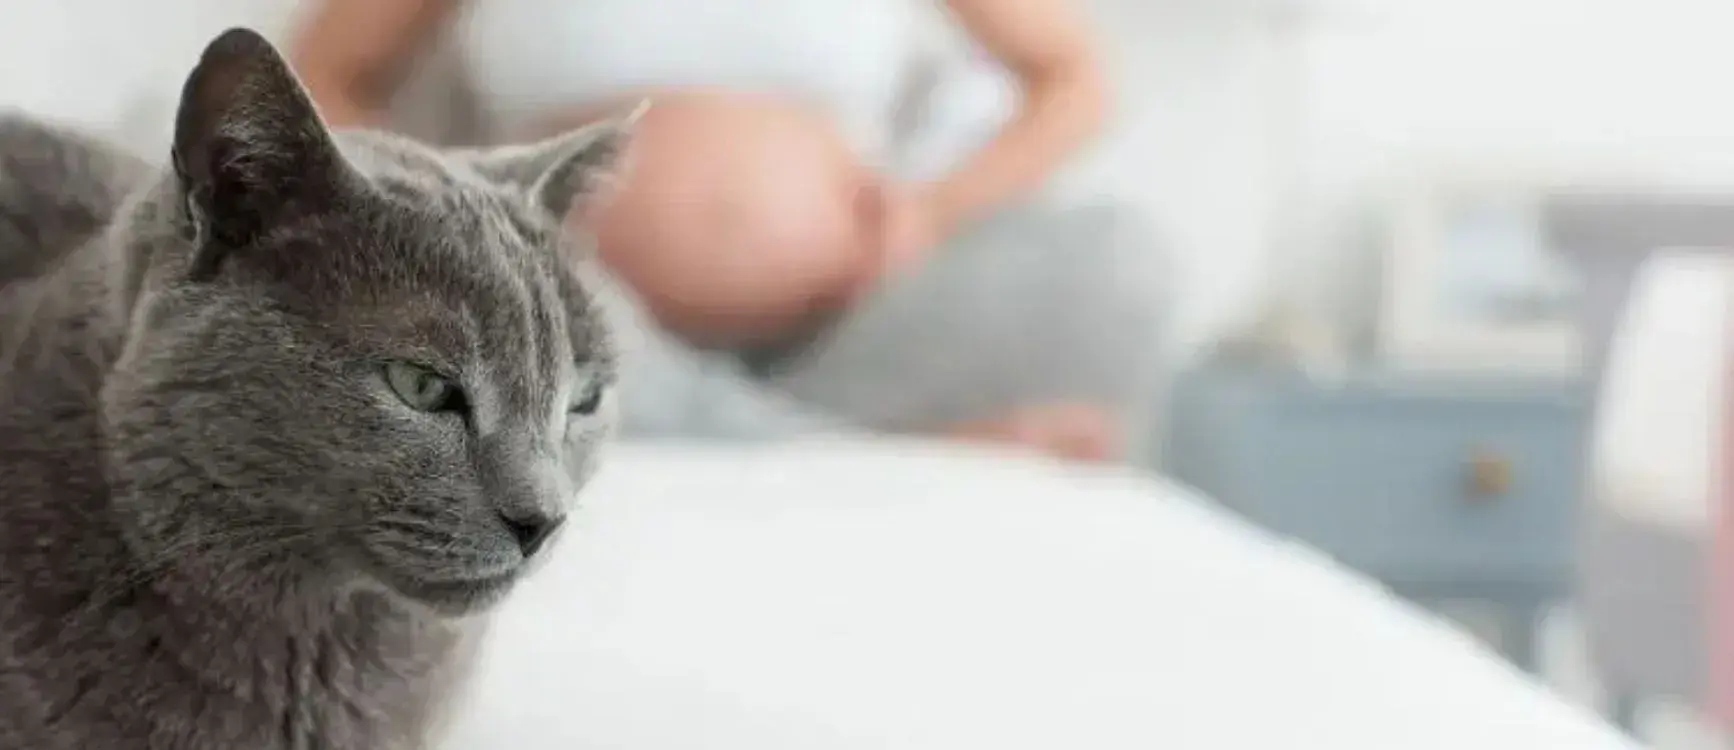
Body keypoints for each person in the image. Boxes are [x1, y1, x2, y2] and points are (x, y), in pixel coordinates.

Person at [289, 0, 1171, 463]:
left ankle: (715, 436)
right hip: (582, 315)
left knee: (1117, 263)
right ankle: (861, 454)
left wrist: (933, 209)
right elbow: (323, 73)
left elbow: (1074, 80)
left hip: (851, 330)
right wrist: (439, 208)